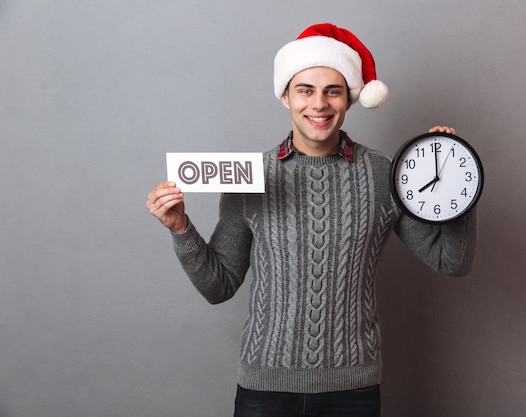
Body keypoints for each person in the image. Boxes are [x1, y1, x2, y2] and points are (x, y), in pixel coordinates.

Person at [146, 23, 477, 417]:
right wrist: (180, 228)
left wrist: (458, 183)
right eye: (305, 90)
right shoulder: (250, 177)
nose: (318, 104)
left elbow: (451, 261)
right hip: (264, 390)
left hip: (353, 391)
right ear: (285, 96)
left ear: (349, 99)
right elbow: (219, 286)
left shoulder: (385, 174)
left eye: (332, 91)